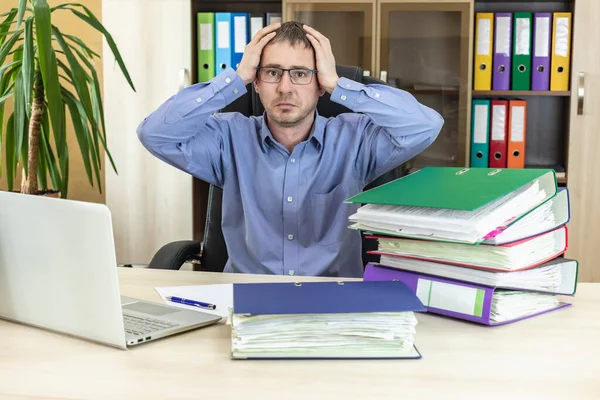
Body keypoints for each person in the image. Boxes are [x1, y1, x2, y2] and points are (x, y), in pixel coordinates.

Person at [137, 21, 444, 278]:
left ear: (319, 83)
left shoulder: (356, 139)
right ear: (256, 83)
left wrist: (339, 84)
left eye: (300, 73)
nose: (285, 87)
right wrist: (235, 79)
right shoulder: (227, 137)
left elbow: (426, 125)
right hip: (247, 299)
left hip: (333, 304)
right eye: (272, 72)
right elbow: (154, 134)